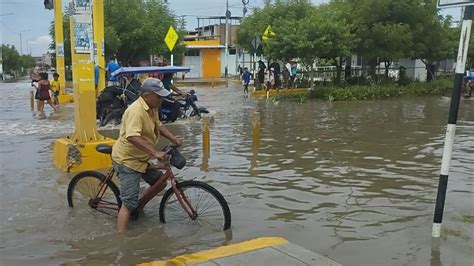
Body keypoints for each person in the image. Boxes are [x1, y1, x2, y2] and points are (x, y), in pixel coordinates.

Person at [111, 78, 182, 233]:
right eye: (159, 96)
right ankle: (121, 241)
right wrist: (155, 153)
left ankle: (139, 207)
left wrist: (173, 138)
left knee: (160, 182)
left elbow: (159, 125)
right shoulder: (135, 111)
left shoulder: (152, 107)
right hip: (127, 160)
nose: (161, 99)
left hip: (141, 157)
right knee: (128, 203)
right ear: (146, 95)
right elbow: (132, 136)